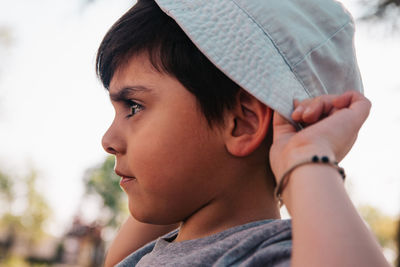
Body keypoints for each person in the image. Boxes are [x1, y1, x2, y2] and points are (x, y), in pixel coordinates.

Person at [97, 0, 390, 266]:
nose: (108, 141)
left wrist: (304, 156)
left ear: (243, 122)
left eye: (133, 107)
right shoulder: (144, 254)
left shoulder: (276, 255)